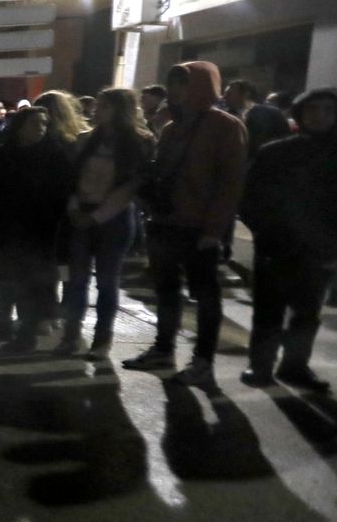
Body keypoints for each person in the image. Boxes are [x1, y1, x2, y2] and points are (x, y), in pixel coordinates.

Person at [122, 62, 245, 387]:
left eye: (183, 83)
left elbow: (230, 184)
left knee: (205, 296)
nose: (176, 90)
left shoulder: (225, 126)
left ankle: (202, 362)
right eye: (173, 83)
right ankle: (164, 350)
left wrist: (214, 231)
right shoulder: (174, 127)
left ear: (203, 86)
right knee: (166, 292)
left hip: (199, 228)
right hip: (166, 223)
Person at [239, 88, 337, 391]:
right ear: (299, 113)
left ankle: (295, 367)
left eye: (328, 110)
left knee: (306, 314)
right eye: (313, 109)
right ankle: (261, 366)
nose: (320, 115)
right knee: (268, 310)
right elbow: (250, 199)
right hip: (276, 246)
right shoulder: (275, 152)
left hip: (320, 250)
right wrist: (265, 233)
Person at [58, 88, 154, 358]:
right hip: (82, 213)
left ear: (120, 109)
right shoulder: (85, 139)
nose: (96, 110)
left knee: (107, 281)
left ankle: (102, 339)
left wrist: (96, 216)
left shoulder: (139, 142)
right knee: (76, 280)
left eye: (104, 106)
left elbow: (130, 187)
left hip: (114, 217)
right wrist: (75, 208)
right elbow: (72, 179)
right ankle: (71, 334)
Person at [0, 107, 73, 353]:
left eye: (43, 124)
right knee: (5, 277)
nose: (40, 129)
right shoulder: (5, 154)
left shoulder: (54, 156)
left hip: (38, 230)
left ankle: (26, 333)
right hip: (6, 227)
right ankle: (3, 325)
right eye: (34, 124)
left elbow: (60, 195)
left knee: (30, 283)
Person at [224, 78, 293, 159]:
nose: (224, 97)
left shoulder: (271, 114)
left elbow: (284, 140)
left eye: (229, 93)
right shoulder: (223, 117)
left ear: (246, 94)